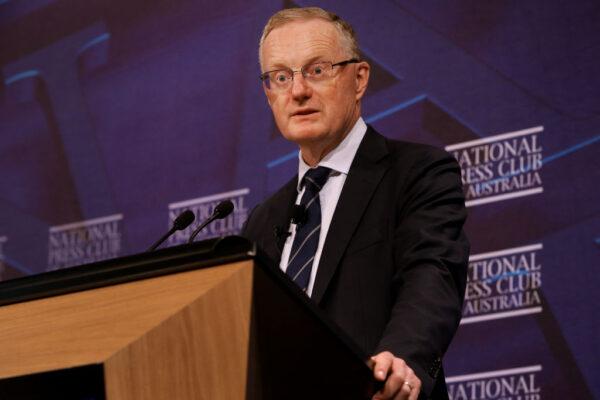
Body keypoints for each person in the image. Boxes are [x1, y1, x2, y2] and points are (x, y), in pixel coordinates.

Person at [242, 7, 469, 400]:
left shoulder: (418, 174)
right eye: (280, 77)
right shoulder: (262, 222)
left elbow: (432, 277)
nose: (297, 91)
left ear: (359, 79)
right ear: (269, 93)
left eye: (316, 70)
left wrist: (400, 362)